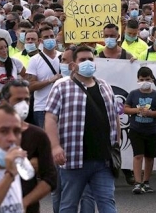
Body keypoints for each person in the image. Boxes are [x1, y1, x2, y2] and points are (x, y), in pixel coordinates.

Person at [46, 46, 120, 213]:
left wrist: (116, 144)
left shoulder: (105, 86)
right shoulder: (61, 86)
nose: (88, 63)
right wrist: (55, 146)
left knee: (107, 203)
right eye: (82, 60)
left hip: (103, 160)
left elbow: (114, 116)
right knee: (69, 205)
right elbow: (50, 118)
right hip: (73, 159)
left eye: (90, 59)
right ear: (73, 65)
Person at [0, 80, 58, 213]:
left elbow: (50, 178)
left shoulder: (38, 135)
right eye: (18, 99)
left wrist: (24, 203)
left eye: (27, 99)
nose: (24, 104)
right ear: (4, 102)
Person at [124, 66, 156, 194]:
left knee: (149, 157)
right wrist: (137, 110)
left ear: (152, 79)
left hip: (151, 130)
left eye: (147, 79)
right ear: (138, 79)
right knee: (138, 156)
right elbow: (125, 109)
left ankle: (146, 182)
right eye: (142, 79)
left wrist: (151, 113)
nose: (144, 81)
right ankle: (138, 182)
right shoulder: (133, 94)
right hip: (136, 129)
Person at [25, 25, 62, 129]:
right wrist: (50, 80)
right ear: (41, 40)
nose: (50, 39)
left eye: (51, 36)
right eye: (46, 37)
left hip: (63, 105)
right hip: (43, 107)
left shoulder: (63, 56)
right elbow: (31, 86)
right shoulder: (35, 60)